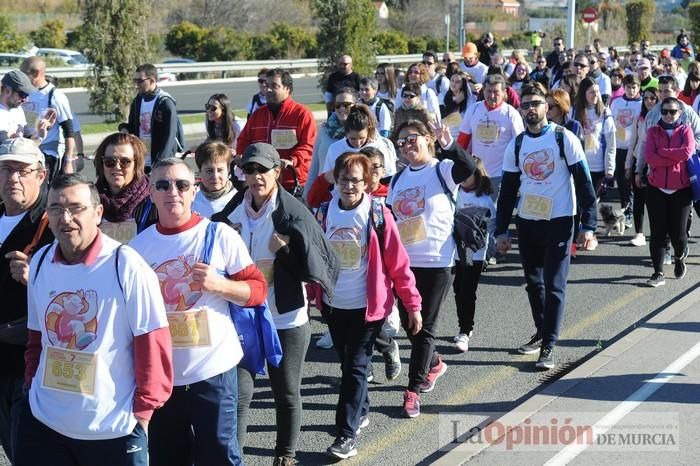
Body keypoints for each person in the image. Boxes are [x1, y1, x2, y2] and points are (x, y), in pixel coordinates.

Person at [17, 173, 173, 466]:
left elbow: (153, 344)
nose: (65, 219)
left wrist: (143, 414)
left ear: (98, 213)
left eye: (76, 208)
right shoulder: (39, 262)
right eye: (55, 209)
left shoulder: (125, 265)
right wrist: (30, 385)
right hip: (44, 422)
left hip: (110, 429)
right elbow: (36, 340)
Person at [129, 158, 268, 466]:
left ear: (194, 190)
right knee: (169, 457)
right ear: (150, 193)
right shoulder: (137, 249)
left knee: (219, 456)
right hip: (163, 379)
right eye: (163, 185)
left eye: (181, 185)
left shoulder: (219, 235)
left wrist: (220, 286)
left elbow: (258, 291)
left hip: (213, 372)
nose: (172, 192)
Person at [213, 143, 339, 465]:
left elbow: (316, 268)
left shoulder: (292, 211)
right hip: (245, 318)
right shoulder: (231, 214)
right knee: (239, 397)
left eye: (262, 170)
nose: (255, 177)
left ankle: (285, 454)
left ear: (276, 172)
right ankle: (234, 459)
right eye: (249, 170)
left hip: (285, 319)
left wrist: (284, 251)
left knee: (285, 393)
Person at [320, 152, 421, 459]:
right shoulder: (323, 213)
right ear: (335, 180)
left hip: (368, 307)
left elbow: (398, 263)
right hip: (333, 305)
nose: (348, 186)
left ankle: (346, 434)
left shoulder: (377, 213)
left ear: (366, 182)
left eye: (355, 180)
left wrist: (412, 304)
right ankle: (361, 409)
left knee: (355, 367)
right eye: (343, 179)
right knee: (349, 364)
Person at [495, 83, 598, 370]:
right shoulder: (517, 145)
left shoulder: (564, 138)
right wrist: (501, 231)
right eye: (526, 103)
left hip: (560, 221)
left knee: (554, 285)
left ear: (547, 106)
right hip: (528, 222)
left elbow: (585, 184)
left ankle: (548, 346)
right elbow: (507, 192)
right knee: (534, 284)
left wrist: (588, 225)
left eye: (536, 103)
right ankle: (542, 331)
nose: (531, 108)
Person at [387, 120, 477, 418]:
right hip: (405, 263)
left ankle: (413, 390)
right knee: (409, 324)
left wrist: (451, 145)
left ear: (428, 139)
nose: (407, 145)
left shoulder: (442, 169)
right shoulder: (398, 179)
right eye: (401, 141)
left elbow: (467, 169)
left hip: (438, 261)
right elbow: (390, 219)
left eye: (412, 138)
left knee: (424, 327)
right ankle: (435, 363)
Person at [0, 138, 54, 464]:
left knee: (31, 453)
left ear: (41, 175)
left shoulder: (53, 224)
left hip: (30, 363)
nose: (13, 178)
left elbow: (80, 293)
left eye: (22, 171)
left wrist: (35, 277)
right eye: (6, 169)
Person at [237, 68, 317, 193]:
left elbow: (309, 145)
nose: (268, 89)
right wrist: (242, 156)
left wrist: (292, 160)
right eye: (266, 85)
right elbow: (244, 140)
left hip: (292, 182)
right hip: (262, 183)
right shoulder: (257, 115)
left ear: (287, 89)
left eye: (274, 86)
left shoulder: (302, 114)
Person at [643, 97, 695, 287]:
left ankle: (680, 256)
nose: (668, 115)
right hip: (656, 188)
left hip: (681, 190)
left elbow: (687, 152)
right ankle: (658, 272)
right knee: (657, 233)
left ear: (680, 113)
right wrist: (673, 156)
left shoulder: (686, 130)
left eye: (673, 111)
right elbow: (650, 157)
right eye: (665, 111)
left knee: (678, 235)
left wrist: (662, 152)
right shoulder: (653, 131)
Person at [457, 74, 524, 199]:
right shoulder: (474, 109)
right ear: (483, 90)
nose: (492, 96)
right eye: (488, 91)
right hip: (477, 174)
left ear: (504, 93)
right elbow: (462, 140)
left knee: (496, 213)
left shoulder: (511, 114)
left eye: (496, 92)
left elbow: (520, 146)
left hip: (501, 174)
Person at [452, 157, 495, 353]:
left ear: (477, 175)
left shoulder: (484, 199)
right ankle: (465, 323)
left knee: (467, 292)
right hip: (456, 252)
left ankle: (465, 330)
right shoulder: (453, 193)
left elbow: (492, 224)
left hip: (476, 254)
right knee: (457, 288)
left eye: (467, 174)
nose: (462, 178)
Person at [20, 57, 77, 181]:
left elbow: (69, 130)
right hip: (29, 151)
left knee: (46, 194)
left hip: (49, 156)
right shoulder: (25, 93)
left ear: (36, 73)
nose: (21, 78)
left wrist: (68, 162)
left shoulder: (55, 96)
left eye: (24, 74)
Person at [94, 133, 158, 242]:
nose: (117, 167)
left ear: (136, 165)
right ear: (102, 164)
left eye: (125, 162)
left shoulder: (154, 200)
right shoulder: (89, 200)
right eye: (110, 162)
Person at [121, 64, 181, 171]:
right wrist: (124, 128)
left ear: (152, 80)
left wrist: (161, 161)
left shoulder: (165, 103)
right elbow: (133, 127)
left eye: (140, 81)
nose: (136, 85)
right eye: (135, 80)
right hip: (141, 161)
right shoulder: (137, 101)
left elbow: (170, 135)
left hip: (160, 162)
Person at [305, 88, 358, 203]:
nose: (342, 109)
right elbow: (314, 166)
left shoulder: (362, 133)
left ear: (356, 105)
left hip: (352, 196)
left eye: (347, 105)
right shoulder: (325, 130)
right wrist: (307, 196)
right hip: (324, 195)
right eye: (338, 105)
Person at [321, 104, 397, 177]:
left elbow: (389, 176)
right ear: (346, 133)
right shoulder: (334, 149)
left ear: (368, 131)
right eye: (353, 138)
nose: (358, 143)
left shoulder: (378, 146)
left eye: (362, 138)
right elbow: (326, 178)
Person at [626, 87, 659, 247]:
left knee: (653, 201)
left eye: (652, 98)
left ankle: (658, 233)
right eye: (646, 98)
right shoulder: (639, 118)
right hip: (638, 161)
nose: (649, 101)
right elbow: (633, 142)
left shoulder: (663, 117)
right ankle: (639, 233)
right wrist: (628, 165)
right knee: (638, 199)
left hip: (655, 164)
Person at [573, 77, 616, 195]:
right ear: (584, 93)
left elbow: (611, 143)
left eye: (597, 91)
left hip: (598, 167)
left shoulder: (605, 112)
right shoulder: (574, 111)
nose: (596, 95)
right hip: (578, 164)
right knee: (578, 205)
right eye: (592, 92)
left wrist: (610, 168)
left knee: (591, 204)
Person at [611, 74, 642, 226]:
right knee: (621, 182)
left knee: (632, 182)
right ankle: (625, 209)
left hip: (634, 149)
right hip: (618, 147)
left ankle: (632, 212)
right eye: (628, 87)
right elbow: (611, 123)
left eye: (634, 87)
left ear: (638, 88)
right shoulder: (616, 102)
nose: (631, 90)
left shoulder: (642, 104)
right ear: (624, 87)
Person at [192, 141, 237, 218]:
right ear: (200, 172)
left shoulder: (240, 199)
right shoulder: (191, 199)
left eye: (220, 170)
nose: (215, 176)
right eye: (209, 171)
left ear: (228, 170)